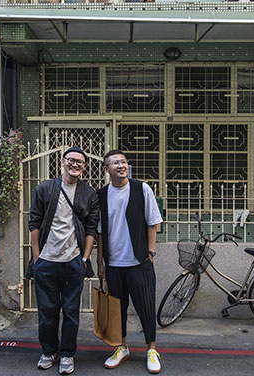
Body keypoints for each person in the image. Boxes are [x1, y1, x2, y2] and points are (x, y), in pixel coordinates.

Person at [26, 146, 99, 375]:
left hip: (73, 262)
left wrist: (85, 258)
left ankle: (67, 354)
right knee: (47, 312)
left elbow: (91, 229)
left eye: (80, 162)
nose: (75, 164)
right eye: (72, 160)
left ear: (84, 167)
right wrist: (37, 257)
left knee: (70, 312)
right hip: (46, 262)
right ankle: (49, 351)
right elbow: (34, 223)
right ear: (63, 161)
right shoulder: (45, 189)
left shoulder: (89, 193)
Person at [97, 149, 163, 374]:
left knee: (146, 306)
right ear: (107, 169)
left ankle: (151, 349)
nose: (121, 165)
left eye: (123, 161)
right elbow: (99, 232)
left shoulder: (141, 188)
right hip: (114, 263)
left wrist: (150, 252)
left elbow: (153, 222)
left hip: (139, 261)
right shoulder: (102, 194)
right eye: (115, 163)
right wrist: (100, 263)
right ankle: (121, 347)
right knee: (118, 310)